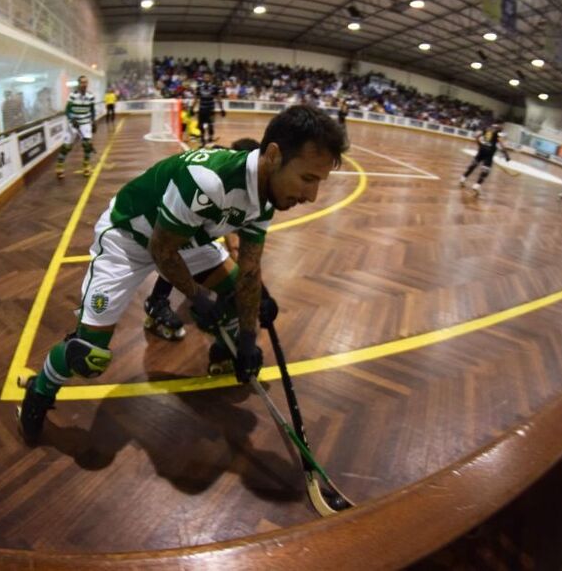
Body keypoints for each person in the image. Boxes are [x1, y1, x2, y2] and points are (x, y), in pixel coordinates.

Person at [18, 105, 347, 444]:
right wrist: (197, 297)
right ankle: (39, 390)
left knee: (240, 296)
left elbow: (249, 272)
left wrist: (248, 339)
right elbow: (161, 251)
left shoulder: (267, 195)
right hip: (129, 240)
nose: (311, 196)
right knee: (88, 356)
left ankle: (224, 351)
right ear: (274, 156)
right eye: (307, 179)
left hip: (184, 239)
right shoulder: (209, 179)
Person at [142, 138, 260, 341]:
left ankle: (157, 300)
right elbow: (234, 246)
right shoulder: (221, 180)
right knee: (180, 251)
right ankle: (157, 301)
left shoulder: (226, 166)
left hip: (168, 221)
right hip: (154, 227)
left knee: (189, 251)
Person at [57, 75, 97, 179]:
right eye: (82, 82)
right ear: (79, 84)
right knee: (66, 147)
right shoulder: (73, 95)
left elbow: (92, 110)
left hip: (85, 123)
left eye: (86, 82)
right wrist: (72, 119)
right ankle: (59, 166)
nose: (84, 84)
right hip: (73, 124)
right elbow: (67, 110)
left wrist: (93, 121)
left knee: (87, 145)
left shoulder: (90, 96)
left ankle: (86, 166)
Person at [459, 122, 510, 195]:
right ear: (500, 125)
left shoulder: (487, 128)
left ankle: (462, 179)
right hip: (489, 152)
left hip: (482, 149)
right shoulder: (498, 131)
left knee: (473, 165)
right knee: (485, 171)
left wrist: (480, 144)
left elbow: (476, 136)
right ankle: (476, 186)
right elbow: (501, 143)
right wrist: (506, 154)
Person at [194, 71, 225, 147]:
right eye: (205, 77)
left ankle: (210, 137)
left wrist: (222, 109)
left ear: (211, 78)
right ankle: (202, 138)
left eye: (208, 77)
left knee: (210, 124)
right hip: (202, 109)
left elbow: (218, 98)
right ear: (203, 78)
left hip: (210, 109)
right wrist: (192, 108)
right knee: (200, 125)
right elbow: (196, 98)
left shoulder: (215, 87)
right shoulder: (199, 87)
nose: (206, 78)